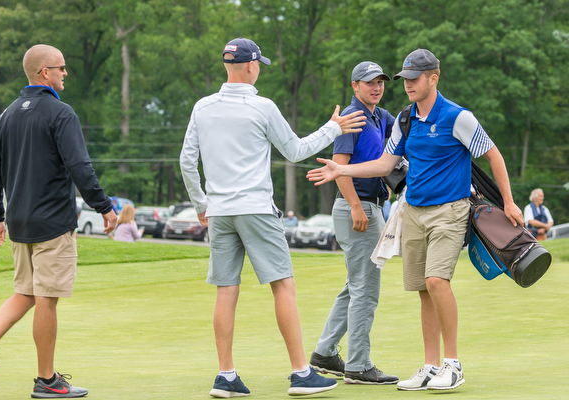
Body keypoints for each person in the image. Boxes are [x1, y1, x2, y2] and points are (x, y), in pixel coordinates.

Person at [306, 48, 523, 391]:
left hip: (450, 211)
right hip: (412, 212)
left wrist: (509, 202)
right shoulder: (405, 118)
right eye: (404, 79)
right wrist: (341, 169)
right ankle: (430, 365)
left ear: (433, 78)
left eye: (414, 78)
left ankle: (452, 364)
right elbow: (385, 164)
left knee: (437, 281)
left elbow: (493, 155)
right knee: (423, 290)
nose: (407, 85)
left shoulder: (458, 116)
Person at [179, 37, 366, 397]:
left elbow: (188, 161)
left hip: (219, 212)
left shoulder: (202, 107)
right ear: (251, 66)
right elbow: (295, 151)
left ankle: (226, 376)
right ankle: (300, 373)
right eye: (258, 64)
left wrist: (201, 204)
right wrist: (334, 128)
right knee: (283, 284)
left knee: (226, 290)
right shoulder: (262, 106)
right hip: (256, 209)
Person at [0, 44, 117, 398]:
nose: (66, 73)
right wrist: (104, 206)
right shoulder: (61, 113)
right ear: (44, 73)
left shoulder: (5, 116)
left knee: (26, 292)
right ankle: (47, 380)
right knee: (46, 298)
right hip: (53, 223)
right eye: (61, 68)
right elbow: (79, 166)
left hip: (20, 223)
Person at [308, 61, 398, 385]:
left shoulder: (379, 117)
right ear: (355, 86)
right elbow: (338, 167)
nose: (376, 87)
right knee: (366, 292)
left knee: (355, 287)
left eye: (380, 82)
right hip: (356, 209)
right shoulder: (352, 117)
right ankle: (359, 366)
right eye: (369, 82)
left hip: (369, 208)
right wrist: (357, 207)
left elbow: (403, 126)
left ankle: (324, 353)